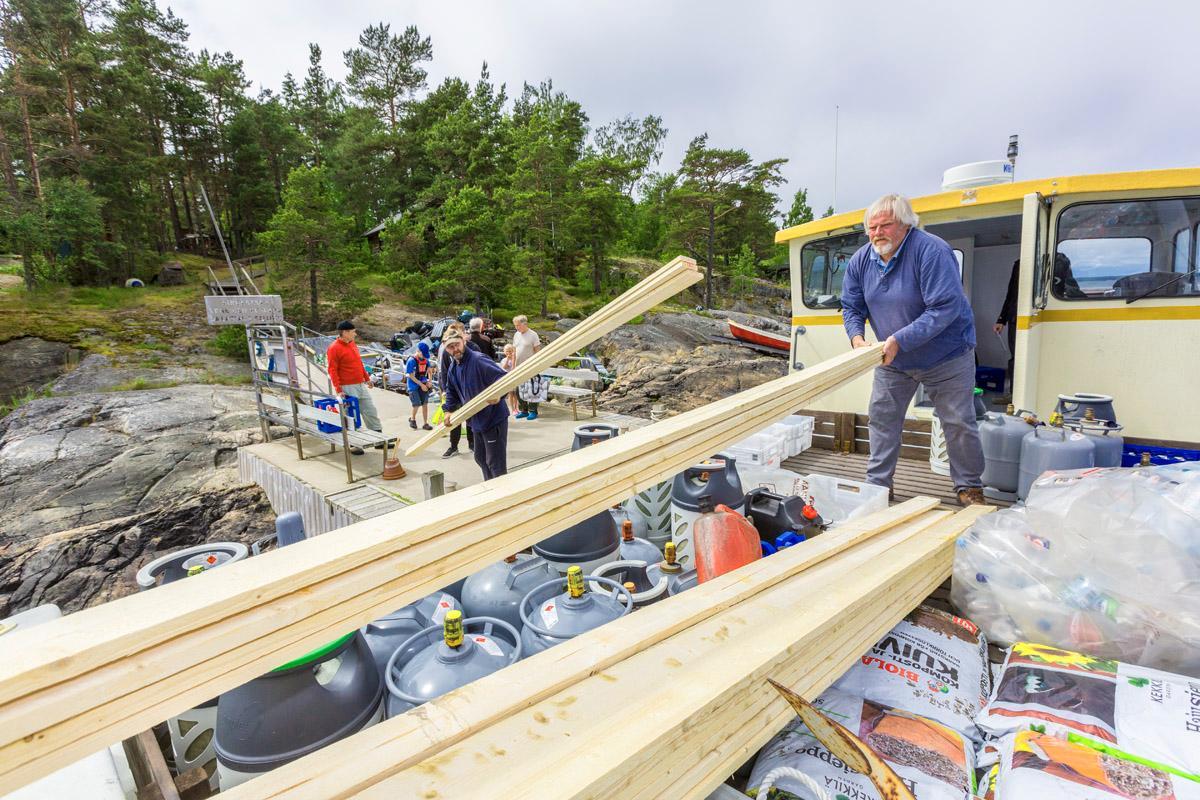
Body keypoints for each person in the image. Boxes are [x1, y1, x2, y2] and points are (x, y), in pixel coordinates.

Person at [840, 194, 986, 506]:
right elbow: (851, 308)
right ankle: (878, 487)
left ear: (906, 225)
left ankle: (969, 486)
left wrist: (898, 340)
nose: (877, 232)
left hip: (947, 355)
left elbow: (944, 308)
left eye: (886, 225)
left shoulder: (931, 251)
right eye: (872, 227)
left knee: (958, 421)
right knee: (882, 419)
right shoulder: (859, 261)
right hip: (893, 359)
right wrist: (857, 339)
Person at [441, 329, 509, 480]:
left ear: (463, 342)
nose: (455, 349)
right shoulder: (454, 366)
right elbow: (451, 390)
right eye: (450, 347)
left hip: (493, 418)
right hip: (476, 420)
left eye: (457, 345)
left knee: (495, 463)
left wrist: (499, 395)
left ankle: (503, 494)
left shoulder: (478, 360)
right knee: (480, 457)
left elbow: (504, 379)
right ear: (446, 349)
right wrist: (448, 410)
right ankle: (490, 487)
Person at [325, 321, 384, 455]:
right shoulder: (334, 348)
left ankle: (378, 439)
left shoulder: (352, 344)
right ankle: (354, 444)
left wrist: (367, 378)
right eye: (353, 331)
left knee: (370, 410)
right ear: (345, 332)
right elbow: (332, 370)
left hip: (359, 383)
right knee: (351, 415)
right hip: (347, 386)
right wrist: (338, 390)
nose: (355, 334)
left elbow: (358, 362)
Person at [438, 322, 475, 458]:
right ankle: (454, 447)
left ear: (462, 336)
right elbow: (444, 370)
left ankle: (472, 444)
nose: (454, 347)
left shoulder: (473, 349)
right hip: (454, 390)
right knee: (453, 419)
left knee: (471, 417)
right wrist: (444, 390)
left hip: (470, 391)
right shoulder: (447, 352)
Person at [993, 258, 1019, 394]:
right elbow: (1011, 295)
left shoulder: (1061, 260)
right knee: (1015, 357)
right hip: (1015, 319)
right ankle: (1013, 397)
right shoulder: (1019, 265)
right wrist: (1001, 319)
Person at [511, 314, 541, 421]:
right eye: (515, 325)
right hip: (519, 367)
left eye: (518, 325)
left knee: (533, 389)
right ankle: (524, 410)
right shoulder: (516, 335)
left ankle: (533, 411)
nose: (516, 327)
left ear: (525, 324)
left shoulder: (533, 335)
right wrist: (513, 367)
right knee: (519, 390)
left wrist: (537, 366)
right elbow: (514, 352)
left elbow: (538, 351)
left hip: (530, 367)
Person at [405, 341, 433, 430]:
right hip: (413, 385)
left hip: (423, 382)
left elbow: (429, 371)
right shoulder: (411, 361)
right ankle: (412, 419)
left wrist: (429, 381)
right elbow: (411, 375)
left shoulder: (426, 360)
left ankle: (425, 423)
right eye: (423, 354)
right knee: (416, 404)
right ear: (419, 351)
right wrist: (421, 385)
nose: (424, 356)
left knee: (425, 404)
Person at [500, 343, 519, 413]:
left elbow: (514, 368)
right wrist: (508, 359)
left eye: (511, 351)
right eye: (507, 351)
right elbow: (504, 367)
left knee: (516, 394)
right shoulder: (504, 360)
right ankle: (512, 408)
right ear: (505, 352)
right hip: (508, 379)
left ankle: (516, 407)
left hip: (515, 378)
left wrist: (514, 359)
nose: (509, 352)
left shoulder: (516, 359)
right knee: (511, 394)